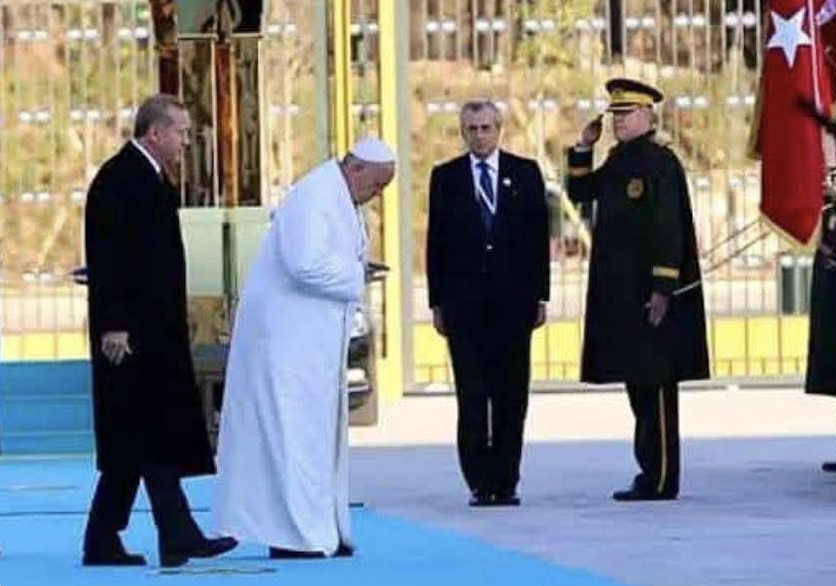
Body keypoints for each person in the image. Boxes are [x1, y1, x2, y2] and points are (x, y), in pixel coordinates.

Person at [213, 137, 396, 558]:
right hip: (286, 342)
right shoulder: (314, 196)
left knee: (312, 437)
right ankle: (294, 535)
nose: (376, 195)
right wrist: (356, 275)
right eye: (376, 185)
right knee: (291, 436)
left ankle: (318, 528)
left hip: (308, 343)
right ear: (356, 170)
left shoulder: (338, 195)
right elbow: (304, 264)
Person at [83, 94, 237, 568]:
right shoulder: (118, 180)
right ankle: (178, 534)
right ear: (156, 132)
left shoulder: (148, 178)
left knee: (135, 438)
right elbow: (108, 258)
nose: (187, 142)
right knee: (148, 432)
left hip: (154, 330)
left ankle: (103, 539)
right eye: (182, 133)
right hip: (129, 335)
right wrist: (113, 324)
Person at [567, 78, 709, 501]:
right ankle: (648, 471)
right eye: (615, 115)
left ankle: (662, 476)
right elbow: (581, 192)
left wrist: (664, 286)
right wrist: (582, 147)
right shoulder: (620, 159)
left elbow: (669, 228)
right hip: (623, 292)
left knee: (657, 385)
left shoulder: (659, 162)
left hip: (651, 293)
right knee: (638, 383)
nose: (618, 122)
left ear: (648, 116)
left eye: (626, 115)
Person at [426, 100, 550, 507]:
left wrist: (540, 296)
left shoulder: (525, 173)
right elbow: (436, 244)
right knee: (473, 395)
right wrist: (438, 302)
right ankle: (480, 480)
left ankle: (506, 479)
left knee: (511, 395)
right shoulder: (446, 178)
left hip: (513, 304)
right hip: (465, 308)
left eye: (486, 128)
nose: (479, 135)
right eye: (472, 129)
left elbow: (538, 239)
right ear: (463, 133)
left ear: (499, 129)